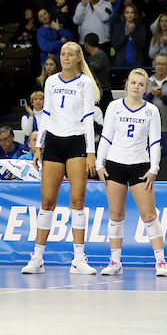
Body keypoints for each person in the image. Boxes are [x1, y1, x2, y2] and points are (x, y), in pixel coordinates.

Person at [23, 42, 101, 275]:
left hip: (77, 143)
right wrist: (39, 146)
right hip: (54, 144)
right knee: (47, 202)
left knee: (77, 201)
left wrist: (90, 151)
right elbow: (45, 115)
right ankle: (37, 257)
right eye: (62, 54)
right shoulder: (51, 81)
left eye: (70, 54)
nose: (65, 57)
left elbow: (88, 118)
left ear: (79, 58)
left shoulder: (86, 83)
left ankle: (78, 259)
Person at [95, 69, 167, 276]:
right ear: (126, 84)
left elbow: (155, 142)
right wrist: (99, 163)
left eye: (141, 84)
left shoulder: (151, 111)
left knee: (149, 215)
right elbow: (106, 137)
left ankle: (161, 261)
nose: (136, 87)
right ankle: (115, 261)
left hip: (140, 166)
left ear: (146, 88)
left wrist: (154, 168)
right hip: (115, 165)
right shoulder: (114, 107)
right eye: (133, 83)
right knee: (116, 214)